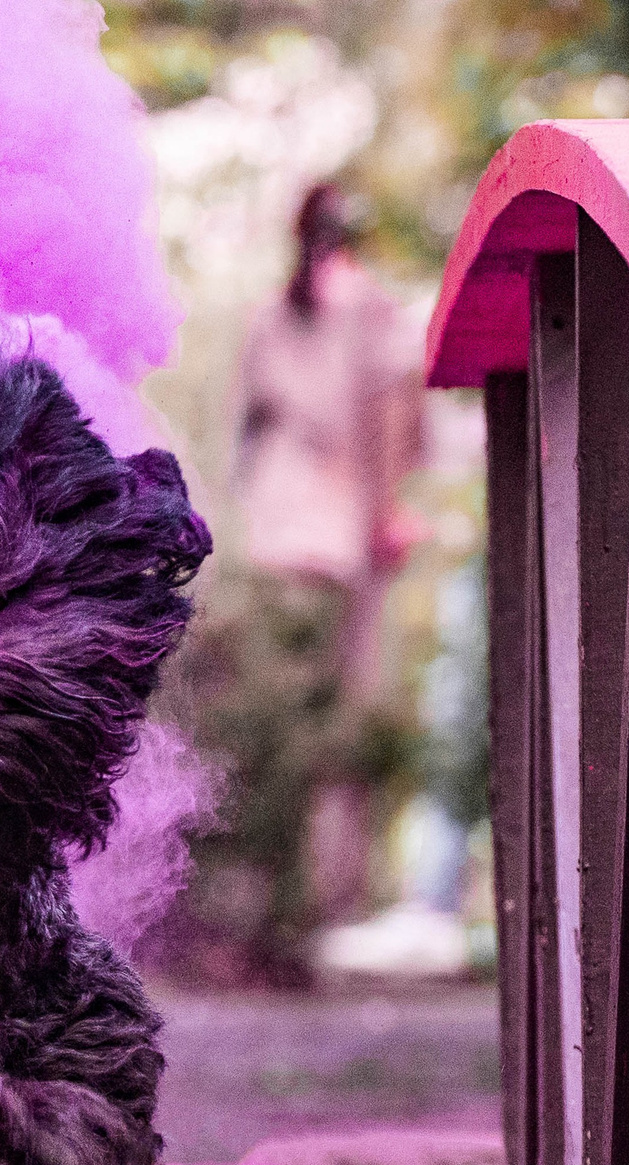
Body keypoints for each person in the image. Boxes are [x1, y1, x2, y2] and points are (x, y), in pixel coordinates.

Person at [231, 183, 426, 934]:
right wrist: (388, 515)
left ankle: (279, 898)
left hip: (277, 536)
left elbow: (245, 439)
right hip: (343, 537)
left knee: (276, 715)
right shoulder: (372, 310)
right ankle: (327, 898)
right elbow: (393, 424)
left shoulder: (269, 315)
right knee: (342, 719)